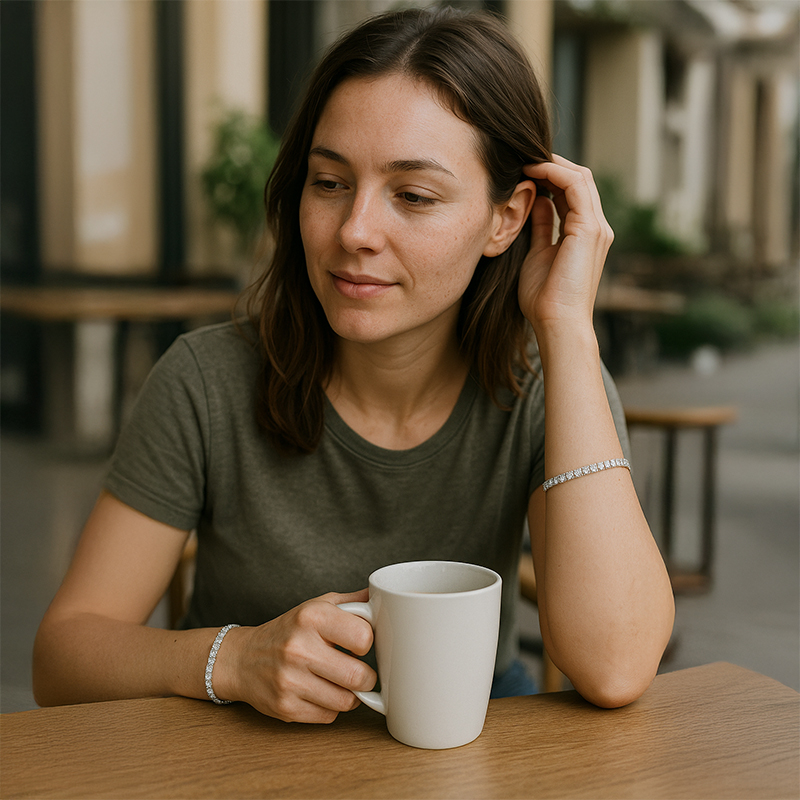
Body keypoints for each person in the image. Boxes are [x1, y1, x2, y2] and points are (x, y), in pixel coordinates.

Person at [33, 5, 674, 722]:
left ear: (507, 219)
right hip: (241, 752)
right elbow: (62, 658)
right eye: (330, 182)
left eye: (413, 195)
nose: (354, 231)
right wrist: (234, 658)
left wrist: (568, 330)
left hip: (471, 746)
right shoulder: (205, 381)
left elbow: (615, 666)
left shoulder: (546, 385)